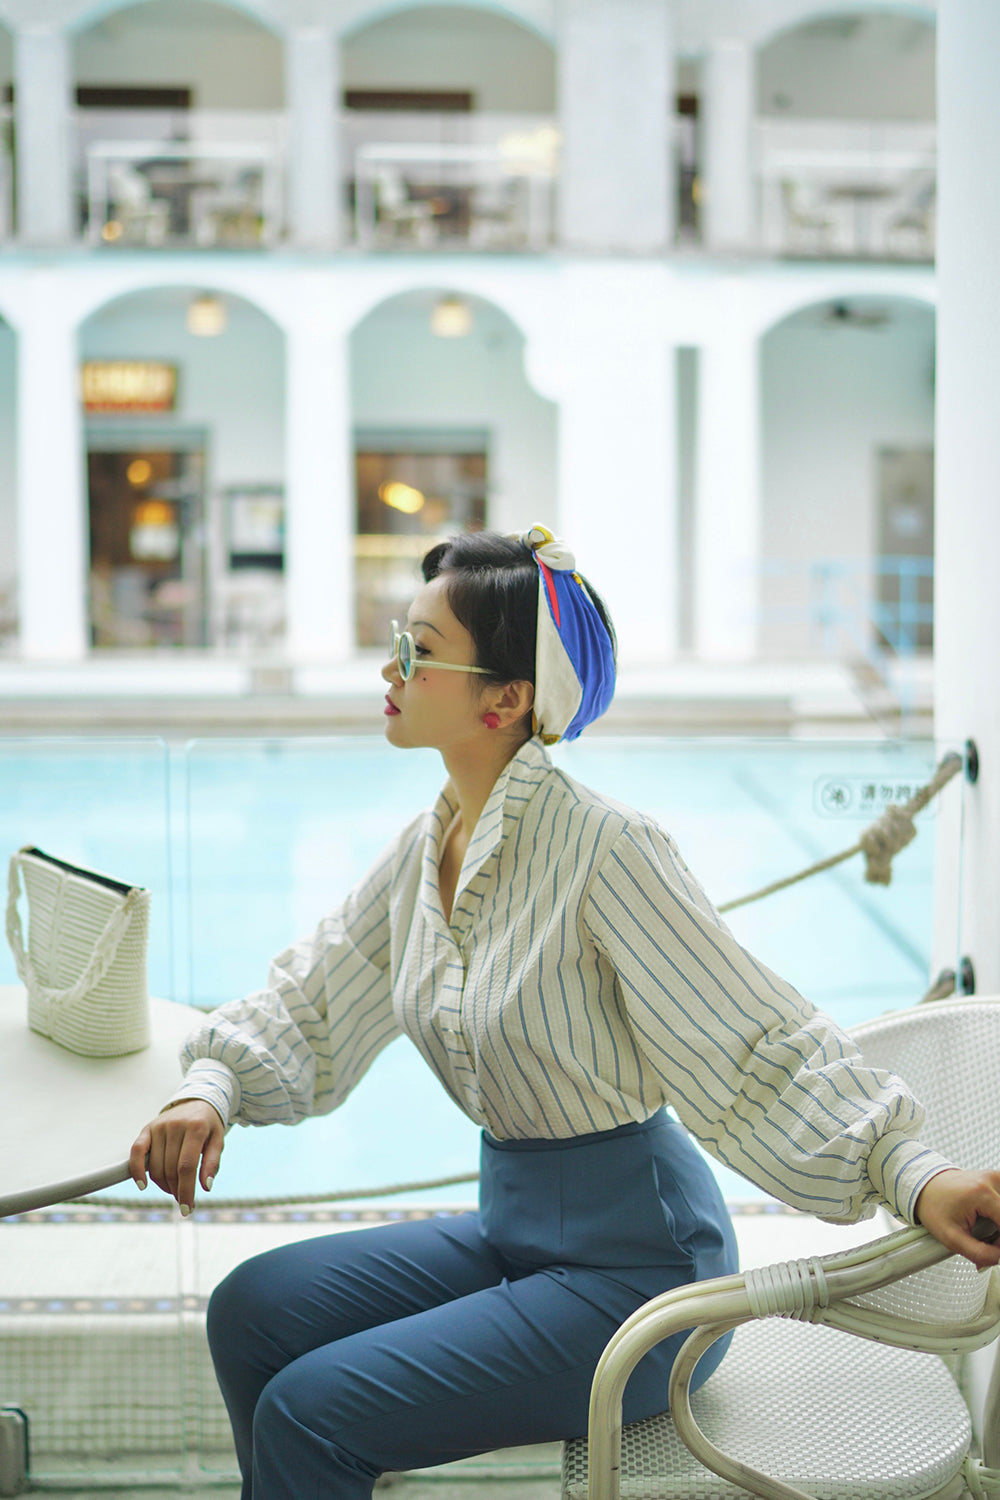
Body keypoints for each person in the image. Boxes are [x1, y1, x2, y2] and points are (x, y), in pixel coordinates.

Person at [130, 525, 1000, 1500]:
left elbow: (760, 1046)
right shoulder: (431, 846)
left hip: (637, 1270)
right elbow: (314, 993)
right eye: (395, 637)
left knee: (309, 1409)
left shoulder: (606, 851)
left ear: (505, 698)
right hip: (518, 1235)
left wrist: (912, 1173)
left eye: (416, 649)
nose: (389, 664)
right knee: (251, 1310)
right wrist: (211, 1089)